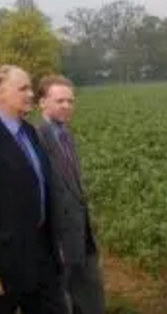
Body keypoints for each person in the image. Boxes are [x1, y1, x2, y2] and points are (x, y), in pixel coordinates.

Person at [0, 65, 67, 313]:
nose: (31, 94)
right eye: (24, 88)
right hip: (2, 262)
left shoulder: (30, 132)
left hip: (41, 256)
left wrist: (54, 242)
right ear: (0, 93)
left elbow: (42, 190)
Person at [36, 74, 105, 314]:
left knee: (90, 298)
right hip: (58, 241)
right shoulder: (36, 139)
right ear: (42, 102)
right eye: (59, 101)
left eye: (70, 101)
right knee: (59, 301)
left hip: (81, 235)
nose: (66, 106)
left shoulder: (66, 136)